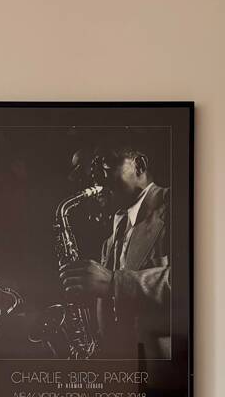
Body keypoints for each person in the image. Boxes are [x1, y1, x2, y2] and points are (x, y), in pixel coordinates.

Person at [59, 144, 171, 358]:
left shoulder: (178, 207)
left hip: (163, 369)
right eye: (88, 173)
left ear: (139, 165)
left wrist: (114, 283)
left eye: (103, 165)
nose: (95, 180)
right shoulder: (112, 236)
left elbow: (194, 284)